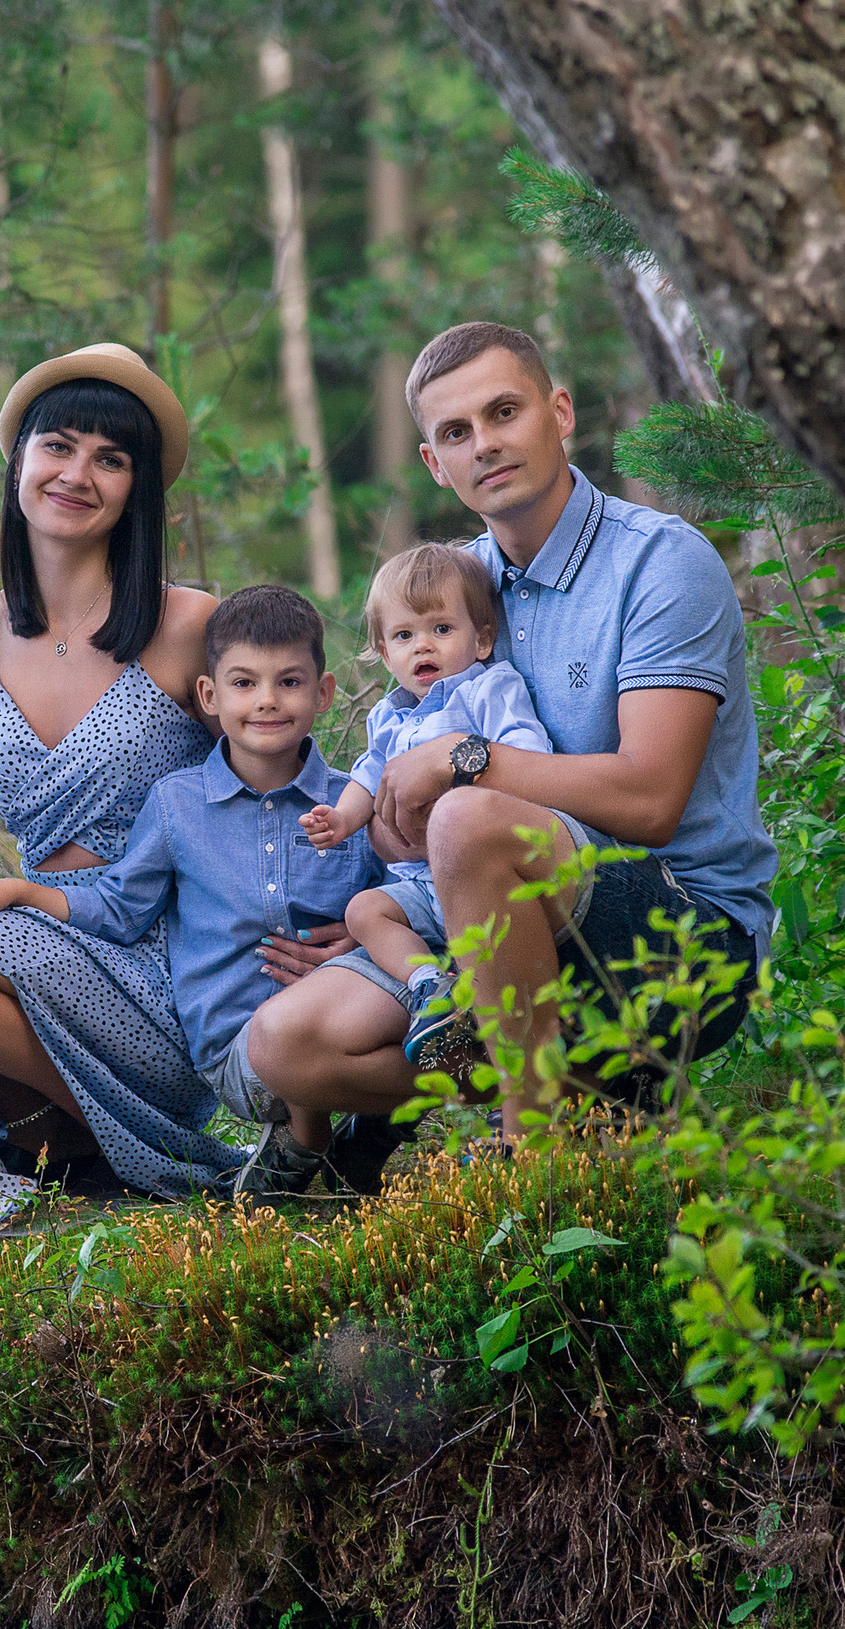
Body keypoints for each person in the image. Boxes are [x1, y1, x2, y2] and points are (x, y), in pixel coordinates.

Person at [0, 345, 350, 1223]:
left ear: (136, 489)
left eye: (110, 458)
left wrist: (345, 926)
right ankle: (9, 1159)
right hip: (34, 931)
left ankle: (126, 1138)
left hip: (162, 960)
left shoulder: (189, 624)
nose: (77, 474)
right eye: (58, 445)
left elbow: (293, 783)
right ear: (21, 461)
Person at [244, 320, 778, 1143]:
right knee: (287, 1043)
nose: (485, 444)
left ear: (559, 412)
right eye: (456, 432)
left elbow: (650, 801)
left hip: (681, 935)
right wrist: (391, 846)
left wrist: (461, 764)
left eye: (504, 412)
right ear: (435, 463)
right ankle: (597, 1088)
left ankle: (531, 1143)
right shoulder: (447, 593)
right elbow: (400, 800)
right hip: (494, 928)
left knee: (467, 814)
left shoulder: (660, 564)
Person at [0, 585, 391, 1200]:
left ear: (323, 693)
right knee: (289, 1043)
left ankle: (417, 1105)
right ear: (209, 696)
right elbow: (120, 907)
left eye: (290, 683)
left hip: (342, 1021)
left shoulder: (354, 807)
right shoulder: (177, 806)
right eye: (244, 683)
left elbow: (405, 903)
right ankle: (318, 1132)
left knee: (416, 996)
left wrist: (364, 938)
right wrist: (26, 893)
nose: (268, 700)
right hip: (239, 1050)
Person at [299, 543, 550, 1056]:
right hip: (419, 886)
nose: (423, 647)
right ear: (385, 654)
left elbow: (528, 754)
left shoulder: (487, 691)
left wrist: (460, 777)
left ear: (483, 639)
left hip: (483, 879)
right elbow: (369, 776)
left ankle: (506, 1029)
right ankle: (431, 987)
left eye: (441, 628)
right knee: (364, 911)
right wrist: (342, 819)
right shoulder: (388, 717)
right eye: (404, 636)